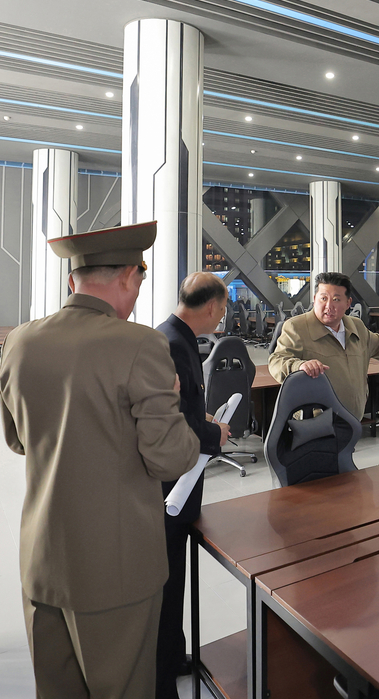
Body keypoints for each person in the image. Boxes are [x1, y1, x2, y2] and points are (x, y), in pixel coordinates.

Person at [0, 221, 200, 699]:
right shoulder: (140, 344)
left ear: (73, 280)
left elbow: (17, 440)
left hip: (42, 559)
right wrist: (173, 404)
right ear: (130, 276)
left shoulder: (21, 341)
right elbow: (170, 458)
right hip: (116, 568)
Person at [153, 273, 231, 699]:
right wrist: (214, 433)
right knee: (165, 582)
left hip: (179, 484)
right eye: (223, 309)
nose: (222, 317)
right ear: (212, 307)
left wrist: (206, 421)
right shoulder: (172, 344)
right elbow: (175, 421)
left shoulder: (177, 337)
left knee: (175, 575)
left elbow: (184, 408)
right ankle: (161, 674)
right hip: (170, 487)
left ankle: (173, 654)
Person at [269, 272, 379, 420]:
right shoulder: (297, 327)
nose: (329, 306)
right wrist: (299, 366)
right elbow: (277, 361)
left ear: (348, 303)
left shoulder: (356, 327)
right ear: (315, 299)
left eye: (336, 299)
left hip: (352, 419)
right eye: (323, 298)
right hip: (315, 422)